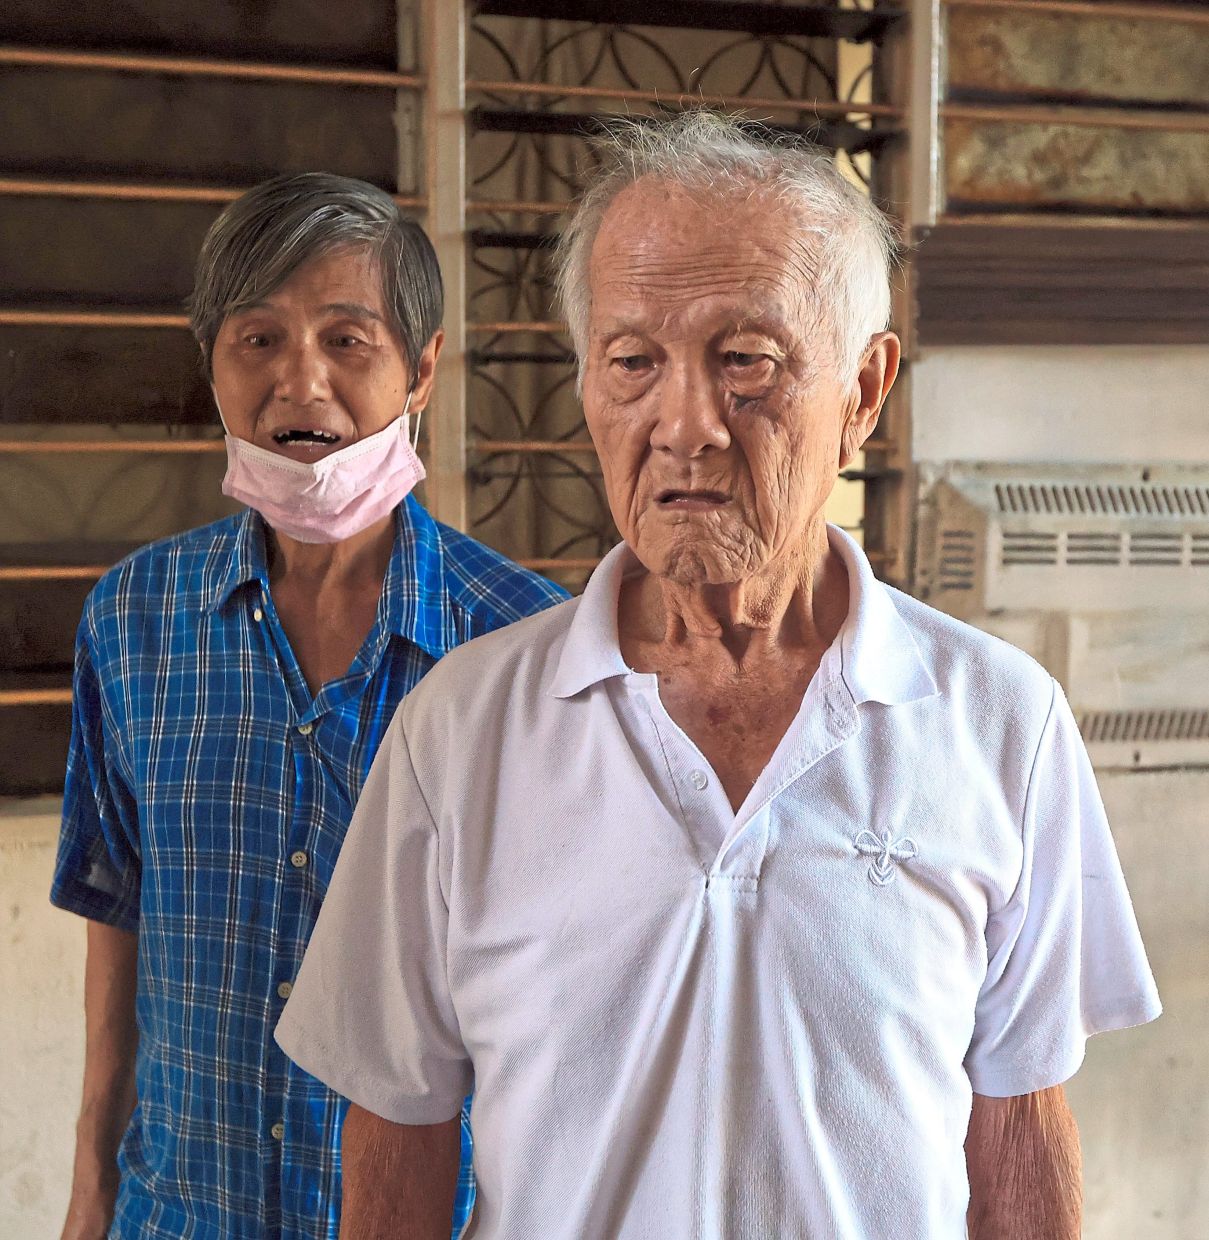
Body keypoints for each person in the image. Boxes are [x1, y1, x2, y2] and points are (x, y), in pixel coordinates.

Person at [275, 116, 1161, 1239]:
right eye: (633, 360)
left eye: (747, 361)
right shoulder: (459, 732)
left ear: (864, 390)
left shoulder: (999, 724)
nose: (684, 424)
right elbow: (398, 1129)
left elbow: (1019, 1124)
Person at [51, 173, 567, 1240]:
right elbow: (119, 923)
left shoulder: (525, 644)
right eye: (258, 339)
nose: (302, 381)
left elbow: (570, 994)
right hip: (178, 1215)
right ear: (213, 365)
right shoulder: (135, 619)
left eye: (347, 339)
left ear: (422, 369)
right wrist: (90, 1199)